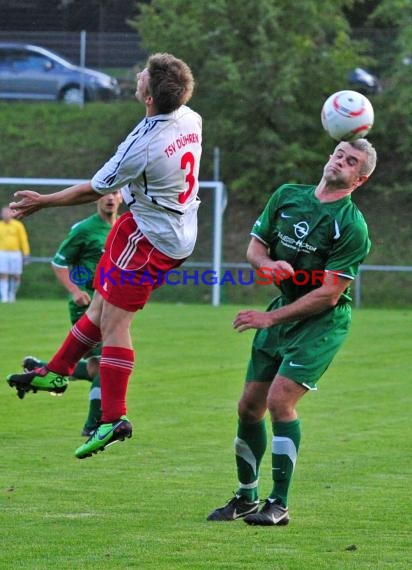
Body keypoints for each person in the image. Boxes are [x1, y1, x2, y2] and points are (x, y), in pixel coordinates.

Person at [6, 52, 202, 460]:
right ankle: (55, 373)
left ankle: (114, 418)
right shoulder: (190, 117)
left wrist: (43, 201)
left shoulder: (142, 147)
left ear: (149, 96)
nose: (136, 75)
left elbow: (92, 190)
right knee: (98, 305)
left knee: (114, 323)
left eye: (143, 75)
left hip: (148, 239)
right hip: (164, 229)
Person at [207, 139, 377, 526]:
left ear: (359, 179)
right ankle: (246, 497)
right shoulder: (287, 195)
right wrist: (268, 264)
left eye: (351, 162)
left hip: (321, 324)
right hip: (283, 311)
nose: (340, 161)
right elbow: (255, 249)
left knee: (280, 400)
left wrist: (270, 319)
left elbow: (330, 294)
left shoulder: (351, 226)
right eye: (338, 153)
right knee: (249, 407)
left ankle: (278, 504)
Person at [21, 191, 122, 437]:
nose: (110, 197)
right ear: (96, 198)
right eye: (105, 193)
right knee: (109, 363)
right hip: (86, 305)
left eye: (115, 192)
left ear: (122, 197)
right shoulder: (84, 229)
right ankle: (92, 426)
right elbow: (58, 262)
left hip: (112, 305)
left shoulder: (124, 226)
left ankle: (42, 370)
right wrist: (75, 291)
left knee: (97, 368)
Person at [0, 205, 30, 302]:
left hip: (15, 253)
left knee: (16, 275)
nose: (6, 215)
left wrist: (26, 253)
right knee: (3, 274)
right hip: (2, 252)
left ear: (11, 214)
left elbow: (23, 240)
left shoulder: (18, 225)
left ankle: (12, 295)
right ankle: (4, 297)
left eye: (8, 213)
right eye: (4, 213)